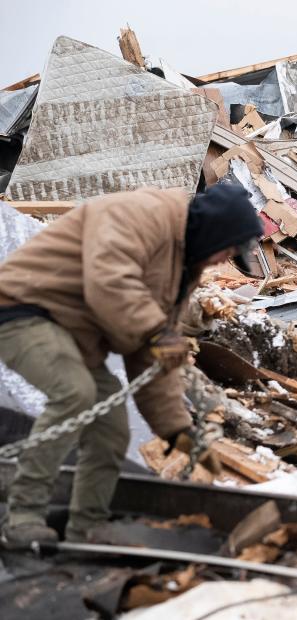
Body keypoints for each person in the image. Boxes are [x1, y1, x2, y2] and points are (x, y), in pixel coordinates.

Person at [0, 184, 263, 547]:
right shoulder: (143, 212)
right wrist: (156, 332)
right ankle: (23, 519)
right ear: (215, 230)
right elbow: (109, 278)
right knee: (74, 392)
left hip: (71, 337)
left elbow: (148, 358)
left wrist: (177, 431)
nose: (223, 261)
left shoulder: (180, 270)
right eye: (228, 251)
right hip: (23, 309)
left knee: (111, 429)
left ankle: (87, 529)